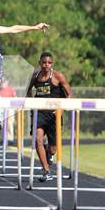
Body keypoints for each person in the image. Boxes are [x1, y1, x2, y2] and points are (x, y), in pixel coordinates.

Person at [27, 52, 72, 182]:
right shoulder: (35, 76)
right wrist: (30, 101)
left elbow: (69, 94)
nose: (46, 65)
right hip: (39, 112)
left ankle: (49, 152)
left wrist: (62, 109)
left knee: (53, 149)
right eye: (44, 62)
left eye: (49, 63)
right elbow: (27, 89)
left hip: (54, 115)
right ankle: (46, 170)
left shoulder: (58, 76)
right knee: (38, 139)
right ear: (39, 63)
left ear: (52, 64)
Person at [0, 77, 17, 146]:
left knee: (9, 123)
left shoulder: (10, 89)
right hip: (1, 108)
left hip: (10, 108)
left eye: (4, 82)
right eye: (2, 82)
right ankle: (3, 138)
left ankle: (10, 139)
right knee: (2, 124)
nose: (2, 83)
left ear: (7, 82)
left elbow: (15, 98)